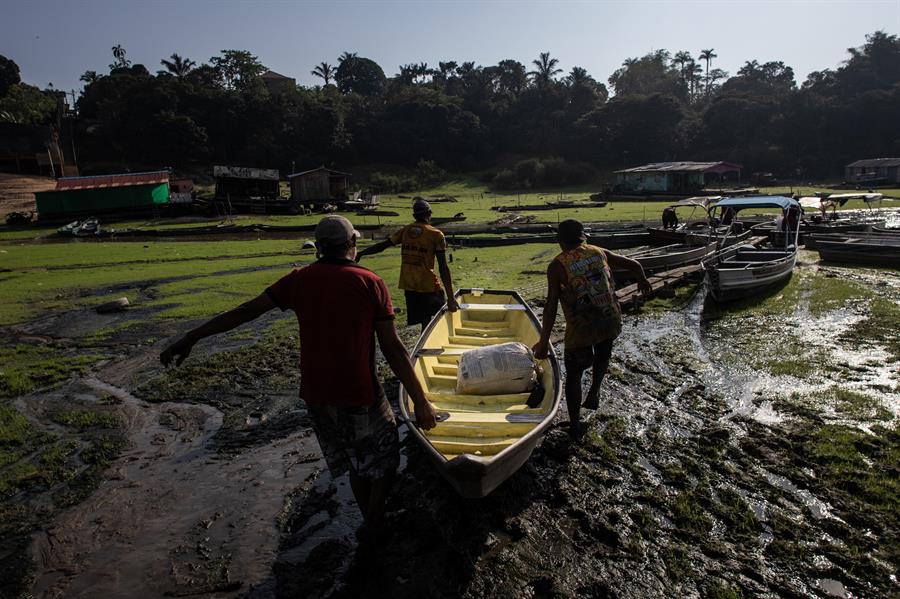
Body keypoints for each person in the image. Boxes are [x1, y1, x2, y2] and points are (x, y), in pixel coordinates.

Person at [159, 215, 437, 545]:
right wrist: (420, 399)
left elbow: (246, 312)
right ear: (352, 244)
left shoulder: (299, 280)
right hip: (359, 393)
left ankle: (369, 520)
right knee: (387, 458)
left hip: (316, 395)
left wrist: (191, 337)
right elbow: (392, 347)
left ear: (318, 248)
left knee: (354, 462)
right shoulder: (369, 281)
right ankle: (374, 522)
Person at [532, 219, 652, 435]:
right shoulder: (599, 252)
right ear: (583, 237)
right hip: (609, 318)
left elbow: (550, 307)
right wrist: (642, 280)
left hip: (583, 325)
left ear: (559, 240)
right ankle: (595, 391)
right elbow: (634, 265)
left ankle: (576, 424)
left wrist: (543, 342)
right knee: (603, 355)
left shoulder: (557, 266)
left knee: (575, 372)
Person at [356, 197, 458, 329]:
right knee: (439, 320)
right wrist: (451, 298)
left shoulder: (406, 231)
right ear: (429, 214)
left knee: (424, 321)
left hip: (409, 284)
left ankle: (422, 346)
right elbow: (443, 267)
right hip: (428, 285)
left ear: (414, 215)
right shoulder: (436, 234)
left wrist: (361, 253)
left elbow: (383, 245)